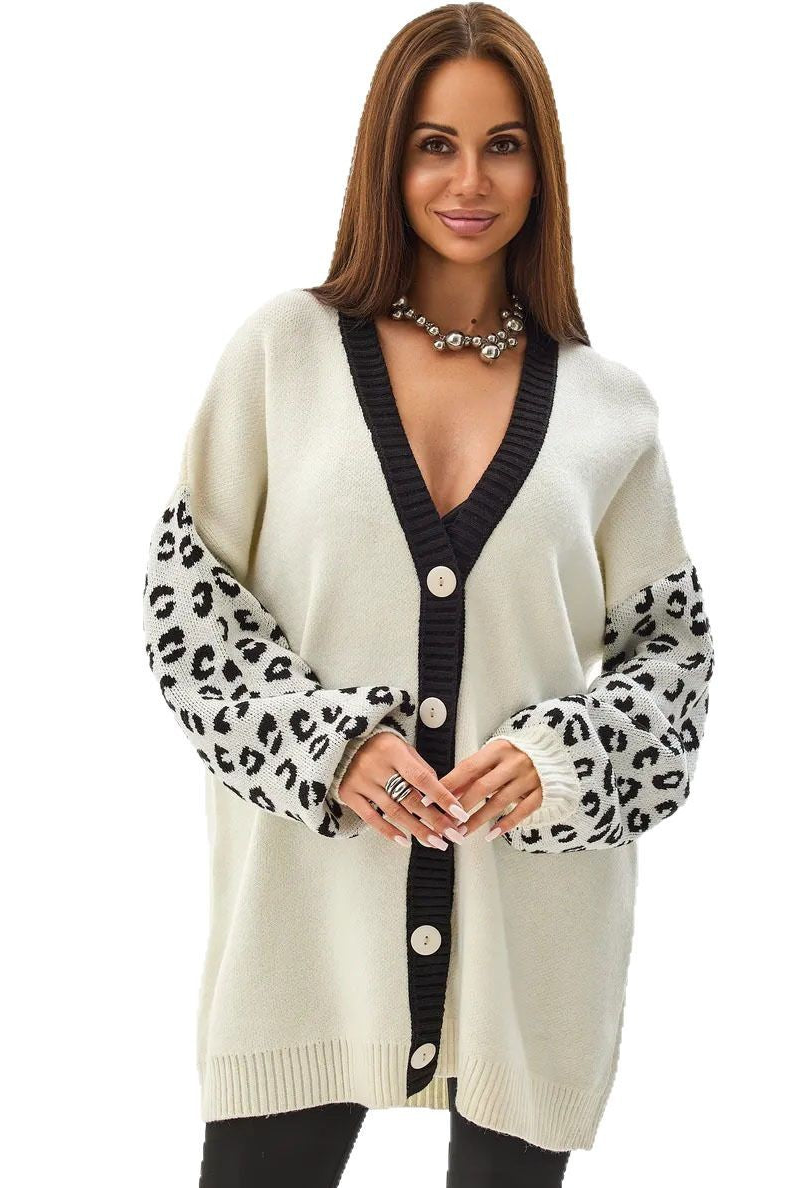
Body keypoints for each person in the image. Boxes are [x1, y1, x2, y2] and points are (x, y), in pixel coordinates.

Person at [140, 5, 716, 1185]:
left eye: (503, 145)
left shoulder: (609, 409)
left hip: (533, 954)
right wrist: (327, 744)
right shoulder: (282, 356)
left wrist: (561, 760)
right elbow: (188, 612)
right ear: (385, 160)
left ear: (542, 168)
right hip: (303, 939)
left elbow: (675, 666)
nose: (469, 182)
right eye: (433, 145)